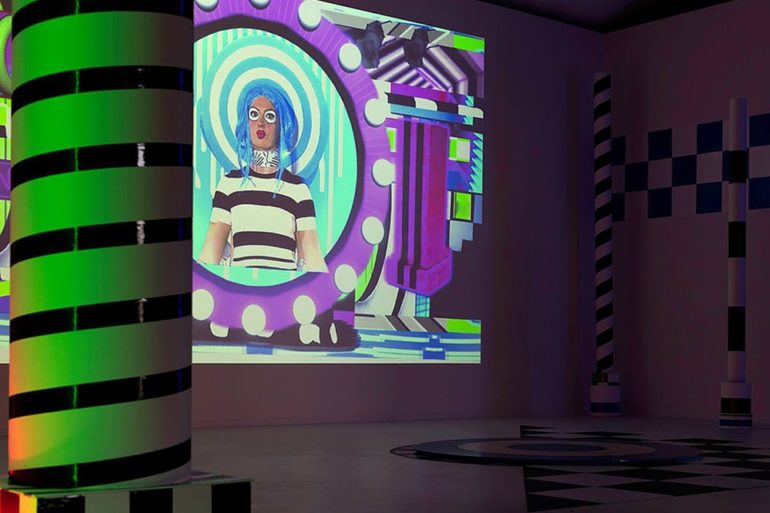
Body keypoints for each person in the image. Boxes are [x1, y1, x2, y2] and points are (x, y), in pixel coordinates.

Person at [198, 81, 327, 272]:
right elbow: (210, 254)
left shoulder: (298, 190)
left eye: (270, 116)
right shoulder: (229, 185)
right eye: (253, 114)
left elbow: (313, 259)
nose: (260, 123)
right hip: (240, 288)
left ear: (281, 124)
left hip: (285, 289)